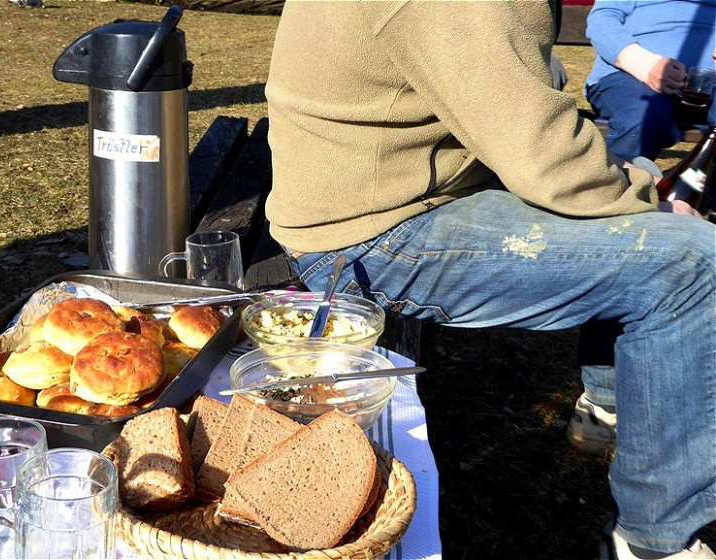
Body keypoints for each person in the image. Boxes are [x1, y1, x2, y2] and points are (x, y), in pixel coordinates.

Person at [264, 1, 715, 559]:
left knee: (645, 243)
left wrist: (626, 183)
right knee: (695, 265)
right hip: (367, 236)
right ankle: (656, 542)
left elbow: (517, 112)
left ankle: (609, 406)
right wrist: (645, 196)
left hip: (388, 193)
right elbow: (542, 155)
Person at [569, 0, 715, 454]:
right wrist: (644, 63)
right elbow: (602, 18)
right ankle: (604, 393)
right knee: (629, 214)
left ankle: (684, 209)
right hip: (632, 78)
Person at [584, 0, 716, 162]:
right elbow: (602, 19)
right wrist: (646, 66)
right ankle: (614, 184)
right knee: (645, 115)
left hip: (708, 85)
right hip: (631, 75)